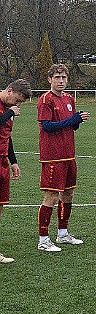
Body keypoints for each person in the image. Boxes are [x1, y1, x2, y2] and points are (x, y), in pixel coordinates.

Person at [37, 64, 91, 252]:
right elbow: (48, 127)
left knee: (68, 194)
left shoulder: (69, 98)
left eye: (64, 78)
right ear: (50, 79)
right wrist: (72, 120)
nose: (61, 81)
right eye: (57, 77)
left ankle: (63, 233)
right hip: (53, 155)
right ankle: (43, 239)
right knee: (51, 196)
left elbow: (71, 127)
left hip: (69, 153)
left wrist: (78, 120)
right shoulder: (45, 99)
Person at [0, 79, 32, 263]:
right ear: (9, 91)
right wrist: (9, 113)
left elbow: (7, 136)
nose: (17, 105)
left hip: (2, 161)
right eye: (17, 100)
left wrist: (13, 161)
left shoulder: (9, 111)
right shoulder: (9, 110)